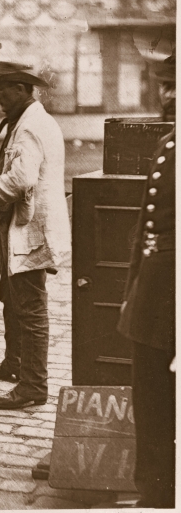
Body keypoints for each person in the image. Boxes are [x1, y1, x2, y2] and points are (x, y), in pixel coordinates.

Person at [0, 61, 71, 409]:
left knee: (29, 306)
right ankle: (14, 363)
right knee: (11, 296)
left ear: (21, 88)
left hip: (29, 230)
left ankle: (33, 387)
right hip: (24, 226)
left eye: (3, 88)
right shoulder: (29, 120)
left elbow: (21, 180)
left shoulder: (31, 126)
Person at [117, 55, 175, 508]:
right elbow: (145, 231)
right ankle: (153, 495)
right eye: (166, 86)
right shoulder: (169, 144)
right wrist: (132, 293)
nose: (170, 95)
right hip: (153, 301)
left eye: (179, 87)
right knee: (151, 405)